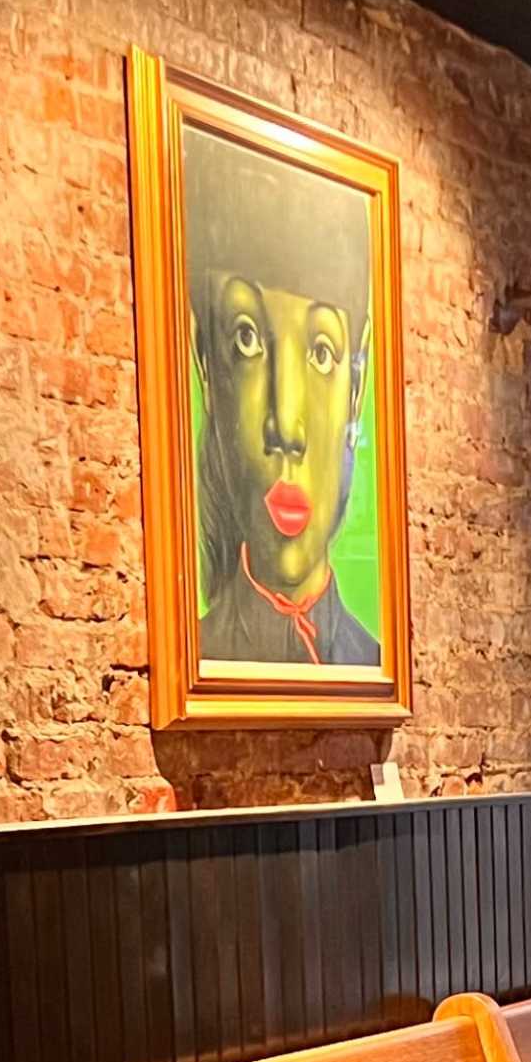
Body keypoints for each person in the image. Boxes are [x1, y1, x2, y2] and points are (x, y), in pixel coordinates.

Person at [184, 132, 377, 668]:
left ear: (355, 394)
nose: (286, 424)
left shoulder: (372, 659)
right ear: (208, 370)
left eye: (321, 352)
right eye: (246, 340)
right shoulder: (201, 654)